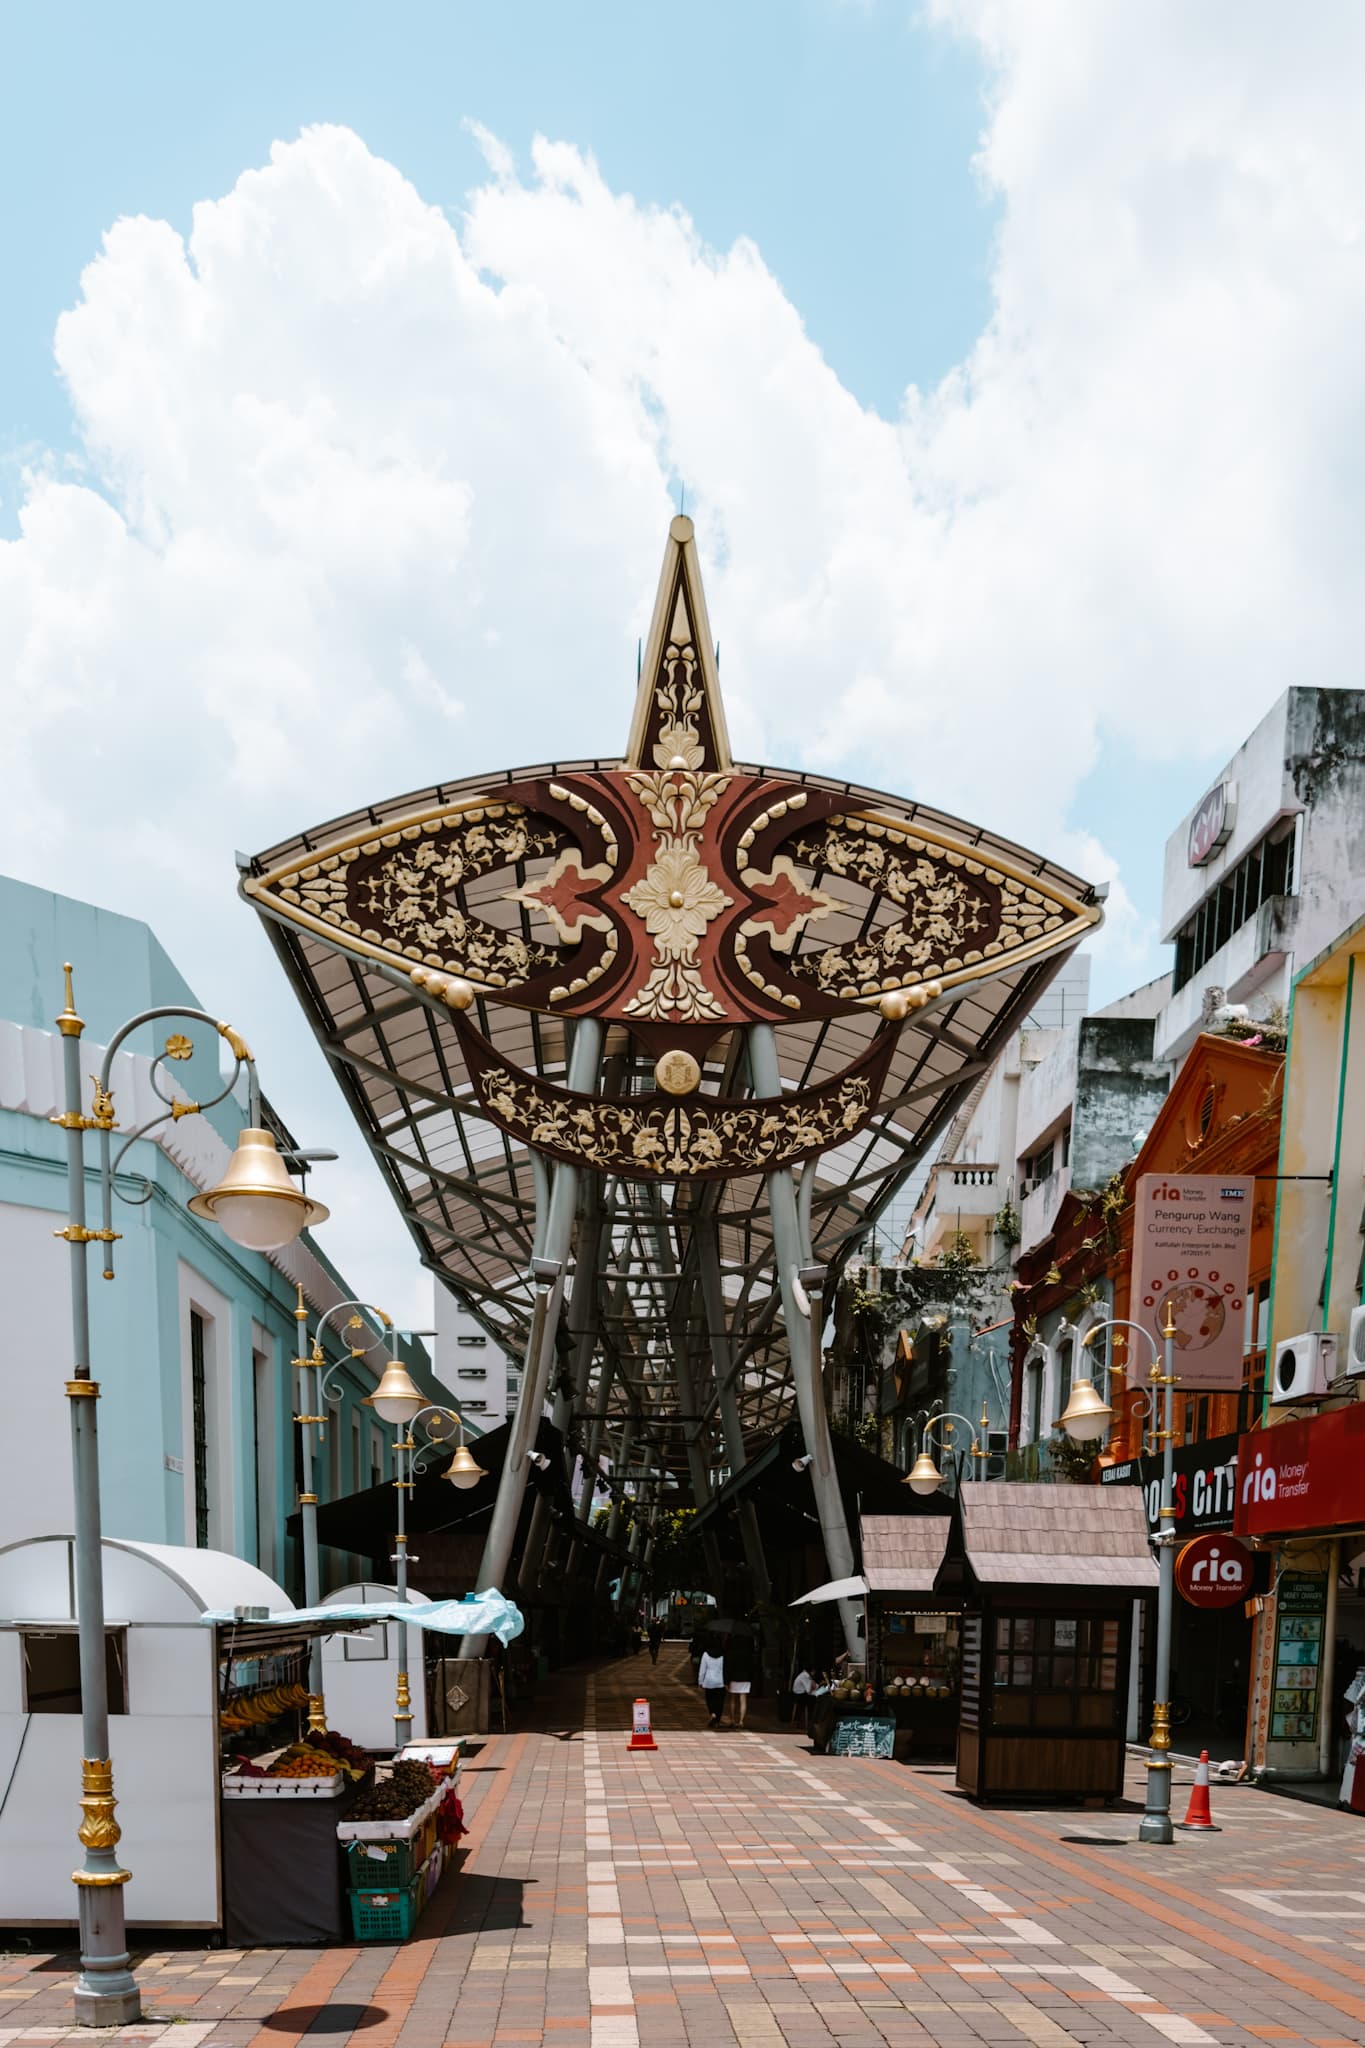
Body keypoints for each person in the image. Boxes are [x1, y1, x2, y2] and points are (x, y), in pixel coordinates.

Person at [724, 1628, 755, 1728]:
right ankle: (741, 1721)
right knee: (743, 1699)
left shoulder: (731, 1653)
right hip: (745, 1677)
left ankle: (732, 1720)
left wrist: (726, 1680)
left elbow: (728, 1667)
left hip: (734, 1677)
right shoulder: (748, 1653)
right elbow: (752, 1666)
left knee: (732, 1699)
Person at [698, 1636, 725, 1729]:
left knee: (710, 1700)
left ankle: (712, 1713)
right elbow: (725, 1669)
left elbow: (702, 1669)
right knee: (720, 1702)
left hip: (709, 1681)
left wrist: (700, 1681)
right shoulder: (723, 1654)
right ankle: (717, 1720)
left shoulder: (706, 1654)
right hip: (721, 1681)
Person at [792, 1665, 814, 1734]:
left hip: (796, 1695)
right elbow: (808, 1691)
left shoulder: (802, 1674)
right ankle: (809, 1722)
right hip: (800, 1696)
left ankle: (805, 1721)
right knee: (815, 1701)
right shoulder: (806, 1676)